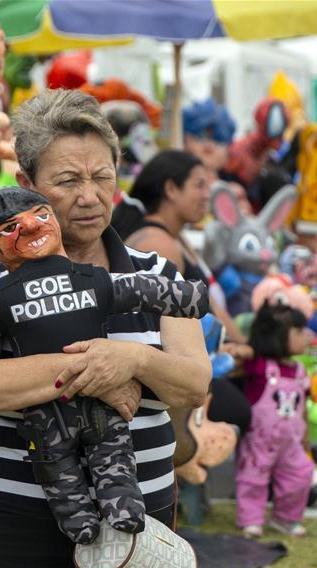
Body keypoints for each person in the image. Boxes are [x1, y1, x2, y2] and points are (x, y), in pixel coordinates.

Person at [0, 90, 211, 568]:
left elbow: (194, 382)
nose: (89, 196)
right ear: (26, 186)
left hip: (137, 528)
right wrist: (95, 375)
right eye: (67, 181)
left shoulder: (154, 273)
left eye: (102, 176)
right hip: (10, 527)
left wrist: (129, 358)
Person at [111, 150, 252, 438]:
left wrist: (245, 345)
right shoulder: (157, 245)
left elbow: (208, 302)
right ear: (171, 189)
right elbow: (156, 327)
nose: (207, 195)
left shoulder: (177, 237)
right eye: (199, 185)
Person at [237, 301, 315, 538]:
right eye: (299, 332)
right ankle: (251, 519)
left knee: (301, 474)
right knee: (253, 478)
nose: (307, 337)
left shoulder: (301, 371)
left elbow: (304, 408)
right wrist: (241, 351)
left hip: (292, 442)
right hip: (259, 440)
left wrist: (306, 436)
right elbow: (234, 364)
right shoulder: (259, 366)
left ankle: (286, 518)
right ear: (278, 336)